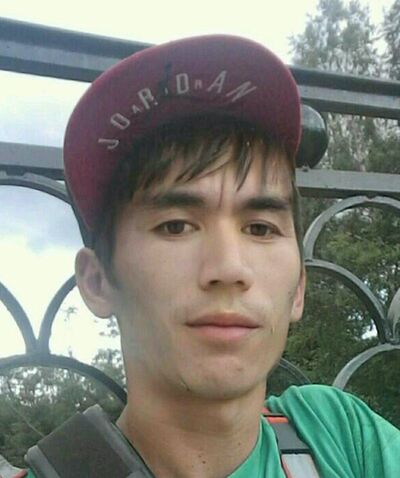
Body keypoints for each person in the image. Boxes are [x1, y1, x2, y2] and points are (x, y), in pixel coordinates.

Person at [24, 34, 399, 477]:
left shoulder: (340, 435)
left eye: (260, 228)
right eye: (175, 226)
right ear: (97, 281)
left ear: (299, 288)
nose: (228, 268)